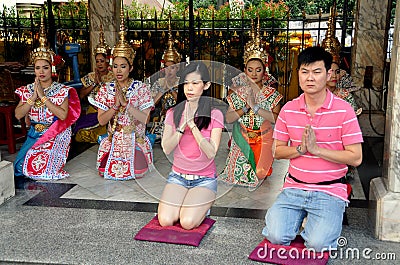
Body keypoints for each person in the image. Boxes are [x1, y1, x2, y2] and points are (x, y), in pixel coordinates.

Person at [262, 46, 363, 252]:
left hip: (329, 189)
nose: (310, 78)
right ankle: (303, 218)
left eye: (317, 72)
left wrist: (317, 150)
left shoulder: (344, 110)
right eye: (304, 71)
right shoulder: (289, 109)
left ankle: (318, 221)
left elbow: (356, 158)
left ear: (328, 75)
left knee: (318, 244)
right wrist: (299, 149)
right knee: (276, 236)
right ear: (298, 74)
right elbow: (277, 151)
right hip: (294, 188)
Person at [157, 61, 224, 230]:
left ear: (206, 85)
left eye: (195, 83)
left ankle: (202, 205)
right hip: (178, 177)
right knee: (165, 220)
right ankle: (187, 202)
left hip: (204, 180)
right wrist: (181, 127)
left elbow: (211, 153)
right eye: (186, 83)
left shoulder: (215, 114)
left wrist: (193, 126)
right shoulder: (173, 112)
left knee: (187, 222)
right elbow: (166, 148)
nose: (189, 88)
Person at [13, 18, 81, 180]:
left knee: (41, 170)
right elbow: (18, 115)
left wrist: (44, 98)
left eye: (45, 67)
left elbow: (63, 116)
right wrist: (33, 97)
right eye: (38, 68)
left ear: (52, 68)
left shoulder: (61, 90)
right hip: (34, 134)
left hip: (54, 134)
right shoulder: (28, 90)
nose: (41, 72)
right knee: (20, 167)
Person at [90, 14, 154, 180]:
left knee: (136, 171)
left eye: (123, 66)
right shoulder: (106, 88)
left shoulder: (141, 88)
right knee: (105, 171)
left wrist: (127, 106)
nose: (118, 70)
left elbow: (146, 119)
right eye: (115, 66)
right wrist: (115, 107)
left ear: (131, 68)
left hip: (134, 139)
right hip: (114, 140)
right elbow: (102, 121)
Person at [220, 20, 282, 188]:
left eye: (258, 69)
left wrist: (256, 107)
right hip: (243, 137)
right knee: (239, 176)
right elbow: (229, 118)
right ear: (245, 70)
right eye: (250, 69)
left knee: (261, 173)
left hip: (264, 138)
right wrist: (245, 107)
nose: (254, 73)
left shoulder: (273, 95)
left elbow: (276, 119)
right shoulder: (238, 93)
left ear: (264, 71)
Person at [73, 25, 114, 143]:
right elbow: (81, 95)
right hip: (93, 110)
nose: (100, 64)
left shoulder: (114, 77)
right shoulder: (91, 76)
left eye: (102, 61)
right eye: (97, 61)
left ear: (107, 62)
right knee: (81, 135)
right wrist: (95, 83)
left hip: (108, 110)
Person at [149, 21, 181, 140]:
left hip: (178, 117)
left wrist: (172, 89)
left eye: (172, 67)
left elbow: (184, 103)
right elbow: (151, 104)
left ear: (177, 68)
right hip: (163, 118)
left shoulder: (182, 82)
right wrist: (163, 89)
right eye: (166, 67)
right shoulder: (159, 82)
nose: (169, 71)